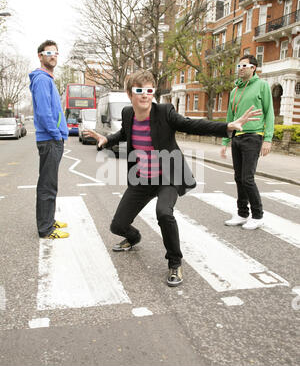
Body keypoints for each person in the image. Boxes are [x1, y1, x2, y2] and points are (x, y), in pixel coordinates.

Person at [84, 70, 261, 287]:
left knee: (164, 213)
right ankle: (133, 237)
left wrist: (226, 127)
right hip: (141, 179)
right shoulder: (128, 113)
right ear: (130, 94)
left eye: (149, 90)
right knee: (117, 225)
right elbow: (123, 134)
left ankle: (175, 262)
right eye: (139, 91)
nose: (145, 95)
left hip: (168, 176)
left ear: (153, 93)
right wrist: (107, 139)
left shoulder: (165, 112)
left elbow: (191, 124)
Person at [220, 55, 274, 230]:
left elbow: (269, 113)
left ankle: (258, 216)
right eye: (239, 65)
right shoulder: (235, 90)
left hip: (253, 136)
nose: (240, 68)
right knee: (238, 178)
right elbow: (230, 117)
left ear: (253, 68)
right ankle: (242, 213)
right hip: (237, 137)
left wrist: (267, 139)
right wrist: (225, 140)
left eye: (244, 65)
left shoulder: (262, 86)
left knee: (247, 178)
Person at [29, 40, 69, 239]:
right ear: (40, 55)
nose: (53, 55)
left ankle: (49, 220)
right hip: (50, 140)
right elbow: (45, 114)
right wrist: (56, 134)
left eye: (56, 52)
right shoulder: (42, 80)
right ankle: (46, 229)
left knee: (49, 183)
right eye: (49, 52)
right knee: (47, 185)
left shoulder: (47, 79)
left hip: (53, 139)